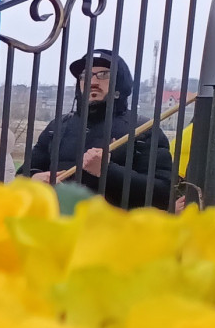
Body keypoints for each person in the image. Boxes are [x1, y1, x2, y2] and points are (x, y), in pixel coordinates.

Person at [21, 49, 174, 209]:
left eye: (103, 75)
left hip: (110, 230)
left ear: (120, 82)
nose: (93, 82)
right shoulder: (58, 126)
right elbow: (23, 174)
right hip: (57, 227)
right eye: (85, 76)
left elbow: (162, 194)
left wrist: (107, 171)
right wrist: (34, 179)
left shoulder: (143, 130)